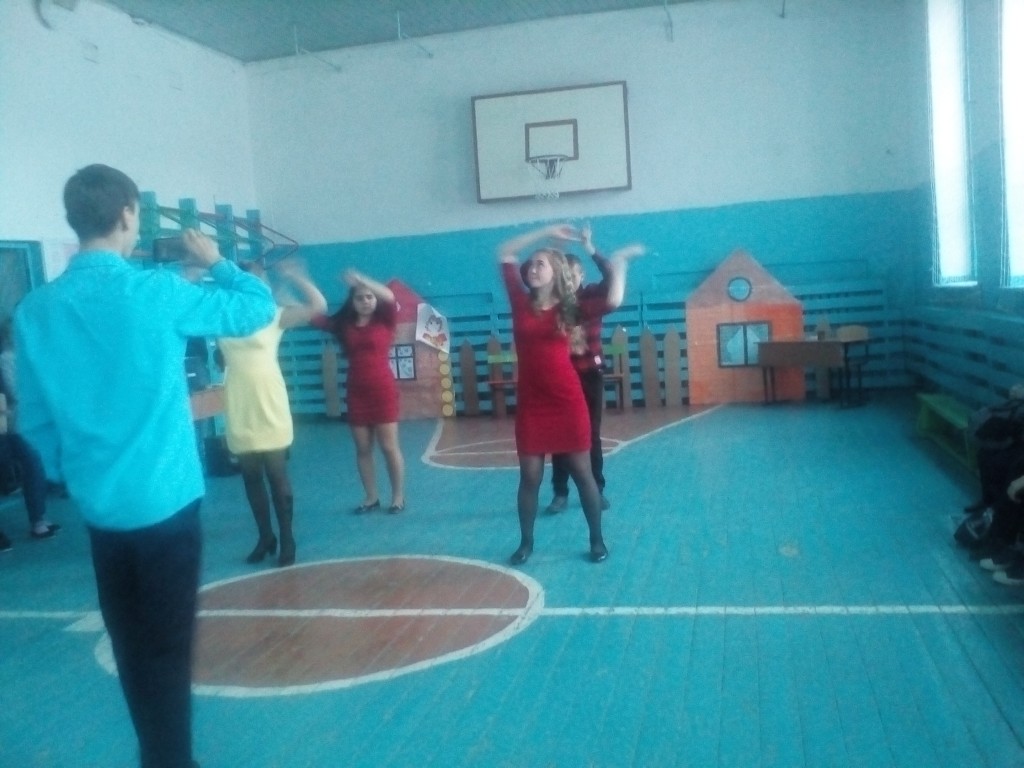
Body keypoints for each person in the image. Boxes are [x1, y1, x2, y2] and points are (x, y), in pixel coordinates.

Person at [14, 164, 276, 768]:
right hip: (165, 504)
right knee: (167, 651)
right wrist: (216, 260)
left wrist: (78, 477)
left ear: (73, 219)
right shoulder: (156, 292)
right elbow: (255, 307)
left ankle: (157, 755)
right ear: (129, 212)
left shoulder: (35, 311)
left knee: (132, 648)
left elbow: (34, 424)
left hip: (101, 511)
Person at [498, 223, 633, 565]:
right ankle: (526, 543)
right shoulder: (520, 301)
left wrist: (616, 264)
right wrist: (544, 231)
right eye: (531, 264)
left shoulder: (568, 309)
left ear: (555, 272)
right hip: (532, 405)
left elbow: (613, 299)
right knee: (530, 477)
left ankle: (597, 540)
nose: (532, 268)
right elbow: (505, 252)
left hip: (566, 401)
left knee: (582, 473)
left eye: (540, 263)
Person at [217, 258, 326, 567]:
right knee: (250, 475)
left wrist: (295, 276)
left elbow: (318, 306)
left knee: (277, 474)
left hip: (269, 401)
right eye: (248, 277)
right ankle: (265, 537)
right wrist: (194, 273)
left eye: (259, 278)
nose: (256, 282)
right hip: (239, 401)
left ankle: (287, 538)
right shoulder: (222, 317)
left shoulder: (274, 315)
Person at [544, 225, 642, 515]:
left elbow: (611, 278)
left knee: (591, 433)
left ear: (581, 277)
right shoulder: (554, 303)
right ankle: (560, 492)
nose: (570, 280)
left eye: (574, 275)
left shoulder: (591, 296)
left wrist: (589, 247)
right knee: (560, 434)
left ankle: (596, 489)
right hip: (562, 376)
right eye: (565, 275)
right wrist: (555, 244)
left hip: (589, 375)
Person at [313, 269, 405, 513]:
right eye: (360, 298)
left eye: (369, 297)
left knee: (389, 447)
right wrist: (292, 291)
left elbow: (389, 296)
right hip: (356, 392)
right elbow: (316, 318)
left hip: (383, 391)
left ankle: (398, 497)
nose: (365, 301)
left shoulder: (386, 320)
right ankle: (371, 497)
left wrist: (362, 280)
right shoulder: (344, 326)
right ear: (352, 302)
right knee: (363, 449)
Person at [0, 318, 61, 541]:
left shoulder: (21, 358)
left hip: (19, 423)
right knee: (32, 467)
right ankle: (37, 521)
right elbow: (17, 392)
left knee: (34, 467)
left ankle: (39, 519)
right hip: (15, 423)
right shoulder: (7, 359)